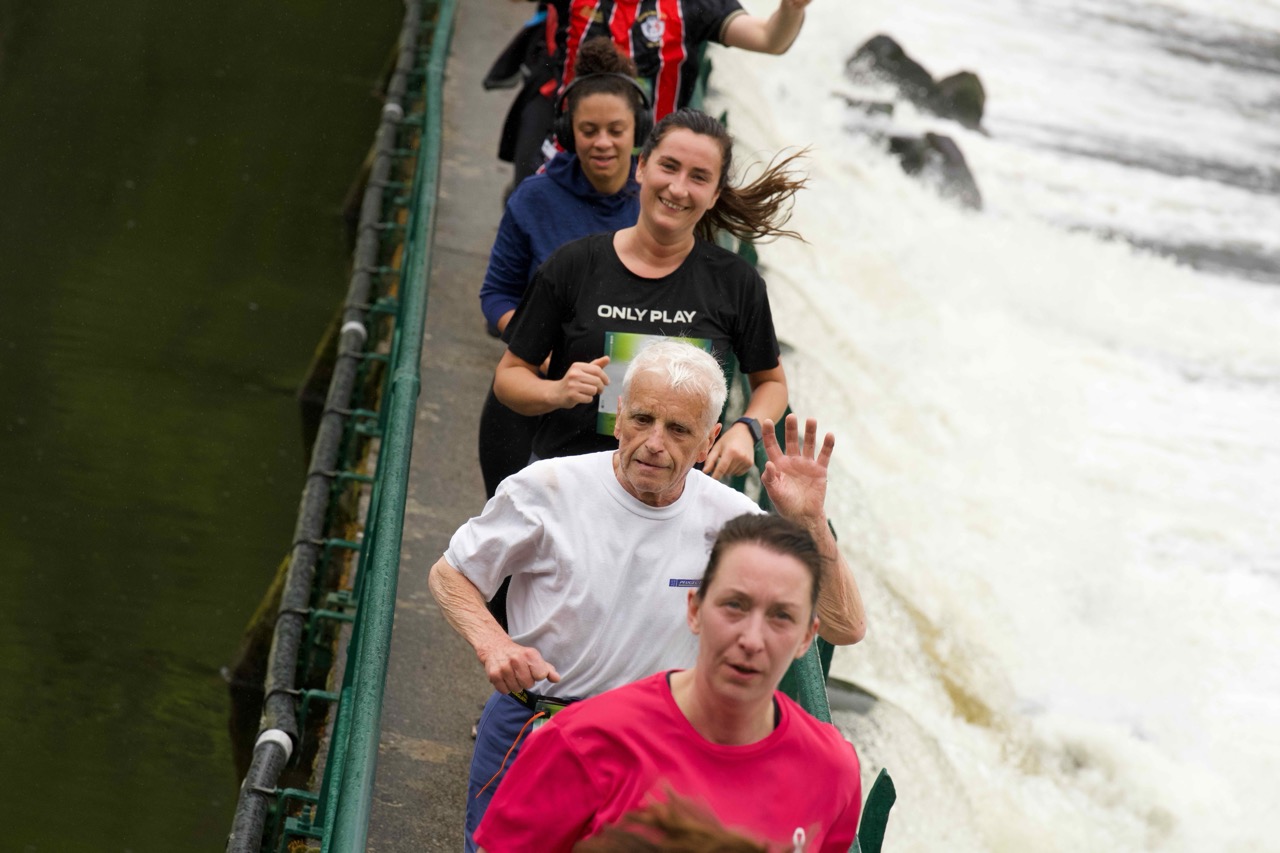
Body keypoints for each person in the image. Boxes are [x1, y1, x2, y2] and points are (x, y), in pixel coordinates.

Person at [428, 340, 865, 851]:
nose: (654, 442)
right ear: (618, 419)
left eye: (678, 429)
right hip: (535, 724)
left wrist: (810, 521)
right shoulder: (546, 488)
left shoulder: (733, 523)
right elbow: (450, 573)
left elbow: (844, 626)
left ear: (708, 442)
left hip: (654, 747)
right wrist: (494, 644)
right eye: (642, 419)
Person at [474, 513, 863, 852]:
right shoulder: (582, 741)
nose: (752, 639)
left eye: (781, 616)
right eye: (734, 605)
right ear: (694, 610)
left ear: (807, 638)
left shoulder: (832, 770)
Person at [493, 108, 807, 484]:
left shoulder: (736, 282)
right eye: (669, 167)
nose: (678, 188)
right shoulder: (573, 265)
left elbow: (772, 383)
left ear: (714, 194)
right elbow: (509, 378)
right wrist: (556, 391)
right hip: (568, 484)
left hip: (673, 497)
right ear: (641, 167)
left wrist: (746, 429)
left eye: (699, 177)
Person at [479, 38, 649, 502]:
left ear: (638, 129)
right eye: (588, 129)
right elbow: (496, 296)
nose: (602, 142)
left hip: (622, 423)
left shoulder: (659, 204)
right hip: (528, 409)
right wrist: (542, 353)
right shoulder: (534, 199)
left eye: (616, 129)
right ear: (567, 131)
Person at [504, 0, 816, 186]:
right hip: (573, 152)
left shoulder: (690, 5)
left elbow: (768, 39)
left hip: (651, 173)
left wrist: (791, 9)